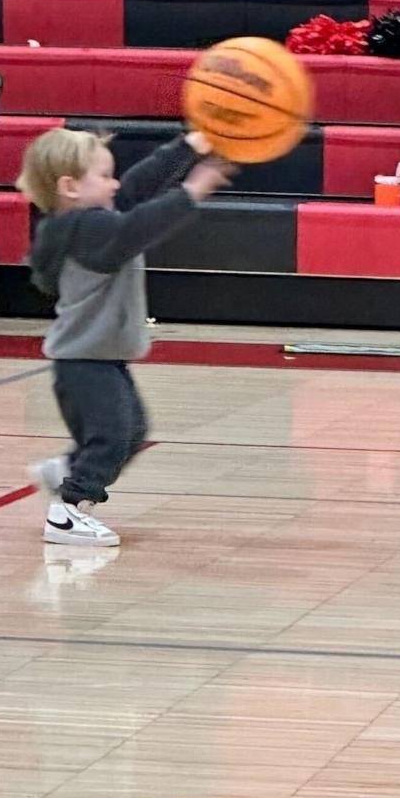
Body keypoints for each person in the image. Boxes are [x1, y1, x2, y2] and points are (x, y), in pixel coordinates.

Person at [17, 128, 234, 546]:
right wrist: (191, 191)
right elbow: (137, 226)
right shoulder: (88, 230)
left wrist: (190, 147)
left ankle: (68, 469)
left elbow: (138, 185)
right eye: (105, 175)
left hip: (97, 359)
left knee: (131, 432)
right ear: (70, 187)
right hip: (85, 363)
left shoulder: (83, 222)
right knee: (113, 436)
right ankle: (68, 512)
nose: (116, 184)